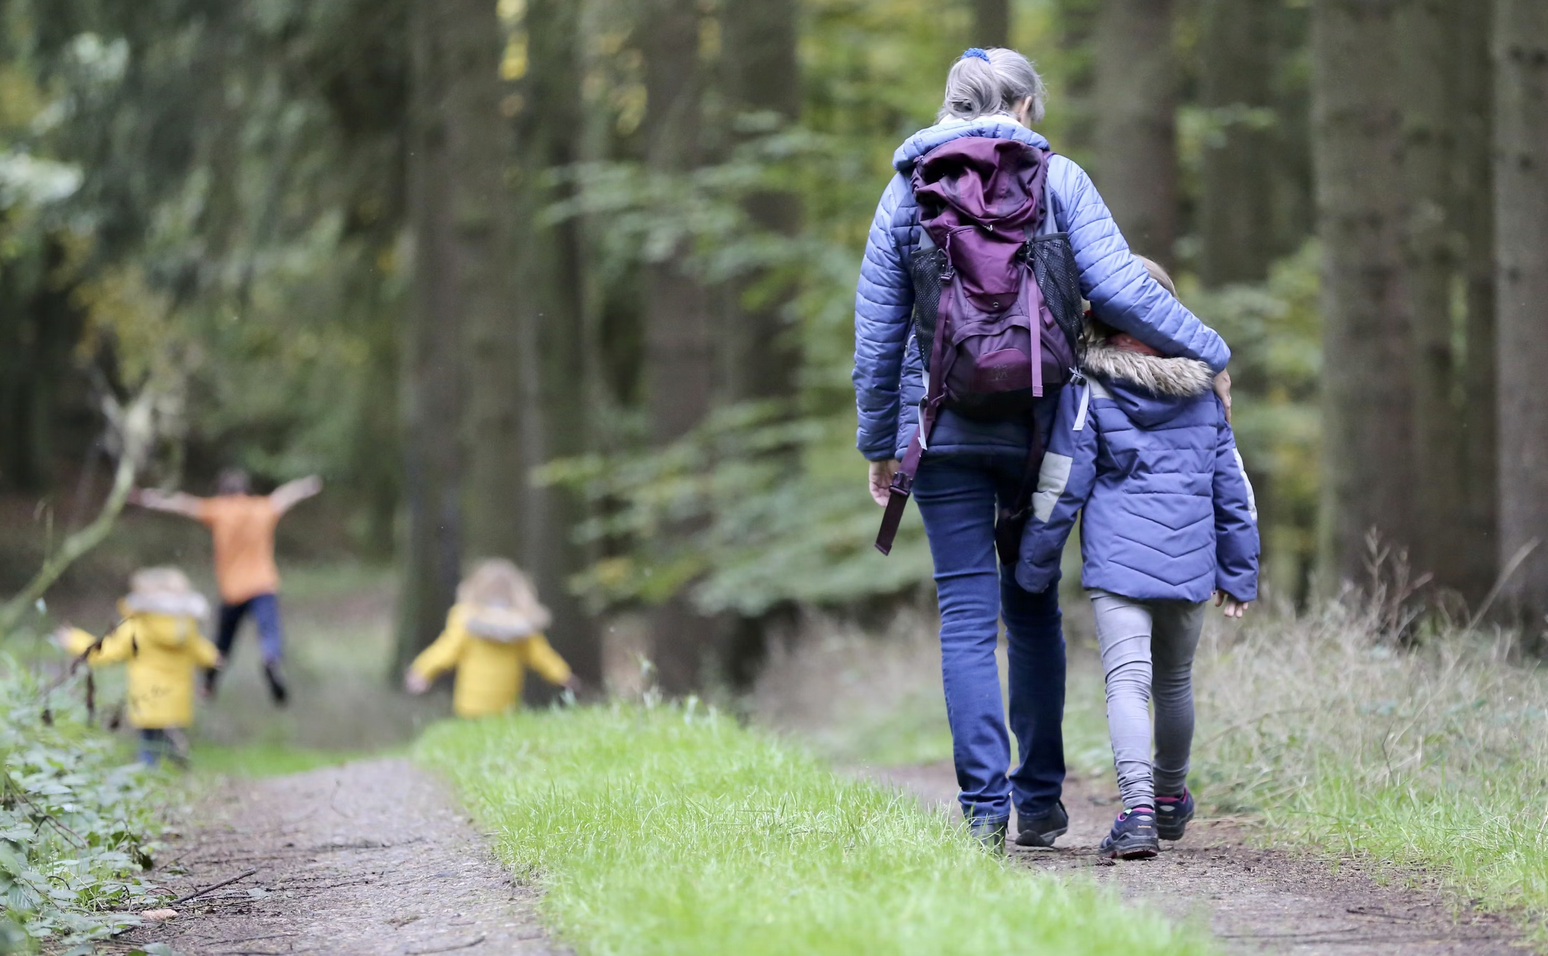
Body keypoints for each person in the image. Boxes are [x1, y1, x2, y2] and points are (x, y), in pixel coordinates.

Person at [852, 47, 1233, 849]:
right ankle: (1041, 803)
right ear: (1024, 106)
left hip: (944, 427)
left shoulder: (904, 192)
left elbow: (877, 337)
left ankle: (984, 812)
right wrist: (1212, 352)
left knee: (964, 614)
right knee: (1031, 608)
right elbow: (1125, 289)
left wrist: (881, 445)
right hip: (1044, 429)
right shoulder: (1060, 180)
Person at [1016, 258, 1259, 859]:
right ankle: (1172, 798)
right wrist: (1239, 571)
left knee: (1128, 684)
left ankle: (1139, 812)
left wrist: (1034, 564)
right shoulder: (1205, 392)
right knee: (1175, 683)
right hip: (1191, 562)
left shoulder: (1090, 388)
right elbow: (1234, 489)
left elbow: (1062, 482)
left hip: (1120, 568)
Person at [128, 468, 322, 705]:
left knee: (222, 643)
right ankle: (271, 660)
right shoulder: (261, 508)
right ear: (246, 490)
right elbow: (285, 496)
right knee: (269, 631)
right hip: (263, 585)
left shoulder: (219, 510)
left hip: (233, 591)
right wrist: (306, 485)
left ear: (222, 491)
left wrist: (147, 497)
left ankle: (209, 684)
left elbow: (181, 503)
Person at [54, 567, 224, 765]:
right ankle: (173, 755)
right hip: (176, 696)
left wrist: (74, 640)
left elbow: (106, 650)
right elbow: (201, 650)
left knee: (148, 739)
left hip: (148, 696)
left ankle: (149, 770)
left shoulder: (138, 626)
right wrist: (214, 658)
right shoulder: (185, 627)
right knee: (163, 731)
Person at [403, 559, 580, 717]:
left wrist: (422, 670)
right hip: (505, 704)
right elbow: (541, 655)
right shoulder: (522, 623)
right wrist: (563, 675)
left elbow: (446, 650)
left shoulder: (466, 617)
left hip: (470, 703)